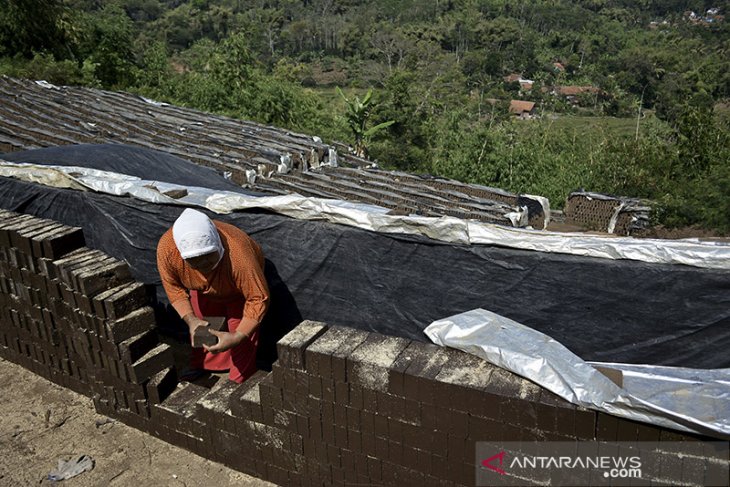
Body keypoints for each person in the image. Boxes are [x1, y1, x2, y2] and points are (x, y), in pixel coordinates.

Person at [156, 208, 269, 383]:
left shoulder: (238, 255)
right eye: (194, 259)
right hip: (202, 290)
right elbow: (174, 288)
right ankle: (204, 365)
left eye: (208, 255)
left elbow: (257, 297)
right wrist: (191, 320)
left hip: (239, 292)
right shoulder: (167, 250)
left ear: (216, 243)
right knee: (204, 326)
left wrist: (238, 336)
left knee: (241, 334)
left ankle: (238, 380)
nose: (203, 263)